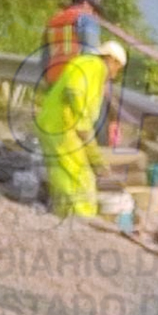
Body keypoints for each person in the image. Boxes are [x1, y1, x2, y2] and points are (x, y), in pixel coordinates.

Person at [35, 40, 127, 217]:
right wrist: (82, 121)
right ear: (111, 59)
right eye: (117, 68)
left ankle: (61, 217)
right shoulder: (95, 65)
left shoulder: (83, 62)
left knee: (63, 178)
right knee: (82, 181)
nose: (114, 75)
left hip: (50, 125)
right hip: (62, 129)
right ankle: (82, 224)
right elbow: (74, 90)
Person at [41, 0, 103, 84]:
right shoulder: (87, 19)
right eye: (94, 9)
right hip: (75, 80)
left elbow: (44, 58)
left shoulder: (52, 22)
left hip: (53, 78)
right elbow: (91, 53)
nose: (94, 14)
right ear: (85, 3)